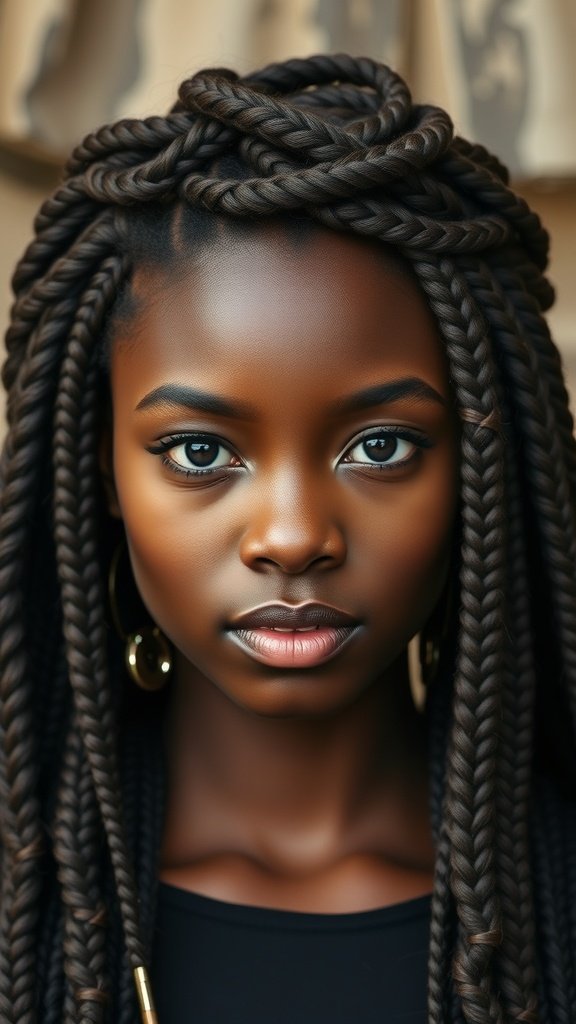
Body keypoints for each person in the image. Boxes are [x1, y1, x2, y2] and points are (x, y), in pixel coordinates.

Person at [0, 52, 574, 1024]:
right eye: (197, 452)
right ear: (100, 467)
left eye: (381, 445)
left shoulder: (554, 912)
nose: (294, 535)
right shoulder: (36, 915)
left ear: (486, 461)